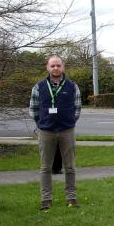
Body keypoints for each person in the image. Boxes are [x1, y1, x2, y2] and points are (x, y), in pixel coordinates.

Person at [29, 55, 82, 211]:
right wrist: (42, 124)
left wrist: (68, 122)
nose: (55, 68)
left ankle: (71, 198)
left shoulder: (73, 87)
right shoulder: (39, 87)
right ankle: (46, 200)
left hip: (67, 131)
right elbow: (33, 110)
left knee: (70, 167)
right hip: (46, 132)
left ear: (63, 67)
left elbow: (77, 109)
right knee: (45, 168)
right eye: (52, 66)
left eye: (58, 65)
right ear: (48, 68)